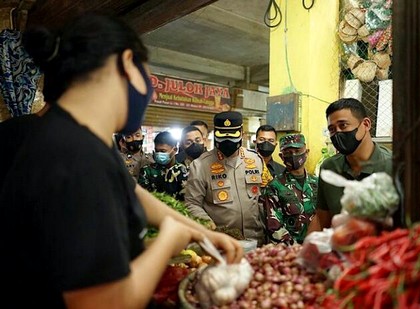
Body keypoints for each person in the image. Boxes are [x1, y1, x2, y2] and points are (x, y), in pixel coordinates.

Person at [0, 14, 242, 308]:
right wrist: (168, 240)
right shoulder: (74, 155)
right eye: (148, 77)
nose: (149, 94)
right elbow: (102, 302)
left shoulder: (77, 138)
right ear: (128, 62)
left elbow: (134, 195)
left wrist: (203, 234)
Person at [307, 98, 392, 233]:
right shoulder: (329, 168)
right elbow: (321, 219)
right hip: (342, 249)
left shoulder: (392, 167)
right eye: (332, 129)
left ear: (366, 124)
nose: (338, 133)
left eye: (343, 125)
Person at [185, 111, 267, 245]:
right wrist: (211, 228)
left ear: (241, 132)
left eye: (232, 134)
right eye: (222, 135)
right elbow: (192, 203)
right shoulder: (200, 165)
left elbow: (264, 198)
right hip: (221, 242)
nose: (227, 140)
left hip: (256, 239)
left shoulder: (255, 160)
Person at [262, 133, 318, 245]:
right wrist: (295, 248)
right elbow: (274, 227)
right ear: (282, 157)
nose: (293, 156)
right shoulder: (274, 186)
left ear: (306, 152)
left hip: (318, 247)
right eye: (288, 153)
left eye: (297, 151)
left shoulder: (318, 183)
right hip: (290, 251)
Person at [138, 131, 189, 200]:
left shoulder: (182, 171)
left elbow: (186, 198)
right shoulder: (147, 171)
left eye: (163, 151)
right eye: (157, 151)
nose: (158, 154)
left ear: (175, 150)